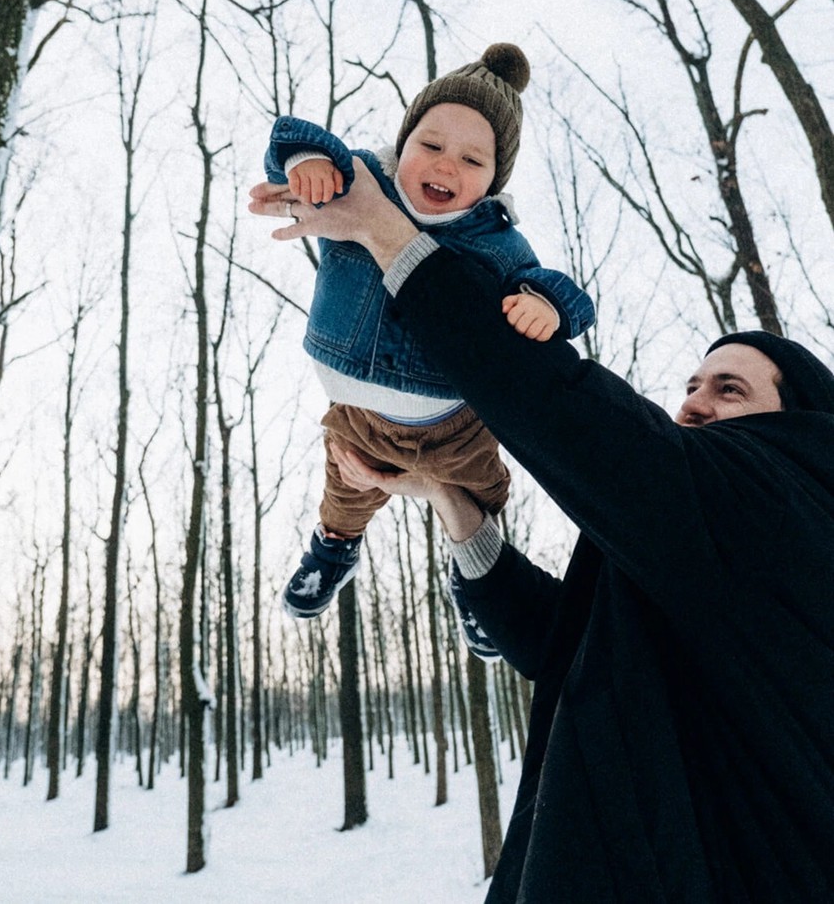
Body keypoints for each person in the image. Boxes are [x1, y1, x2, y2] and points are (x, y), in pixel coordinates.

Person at [249, 159, 834, 902]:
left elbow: (562, 406)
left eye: (729, 388)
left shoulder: (781, 504)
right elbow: (562, 642)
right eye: (690, 385)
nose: (692, 402)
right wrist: (446, 496)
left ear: (799, 417)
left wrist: (389, 234)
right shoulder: (703, 559)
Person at [260, 44, 594, 631]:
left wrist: (547, 306)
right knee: (346, 490)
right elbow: (293, 135)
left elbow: (561, 292)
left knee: (483, 497)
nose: (445, 165)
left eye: (472, 159)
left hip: (456, 427)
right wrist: (306, 158)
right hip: (358, 415)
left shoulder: (499, 243)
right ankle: (335, 548)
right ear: (404, 144)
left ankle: (479, 581)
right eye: (431, 145)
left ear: (494, 179)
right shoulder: (360, 183)